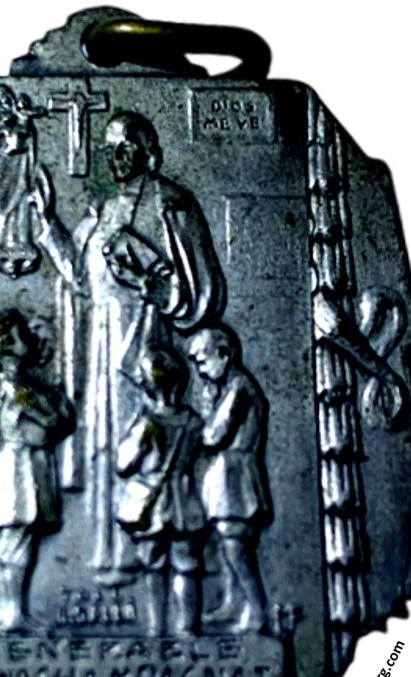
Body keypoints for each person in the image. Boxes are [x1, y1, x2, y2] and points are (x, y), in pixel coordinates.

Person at [31, 111, 226, 583]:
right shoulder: (102, 208)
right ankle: (109, 551)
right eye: (111, 148)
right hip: (101, 340)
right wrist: (48, 220)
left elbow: (202, 287)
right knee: (104, 442)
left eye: (126, 147)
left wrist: (155, 287)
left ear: (148, 152)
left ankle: (149, 552)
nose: (117, 157)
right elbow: (79, 277)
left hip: (142, 338)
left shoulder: (171, 203)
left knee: (142, 442)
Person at [0, 309, 75, 632]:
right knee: (15, 540)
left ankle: (14, 611)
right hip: (18, 467)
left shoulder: (17, 386)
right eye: (25, 335)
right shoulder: (16, 389)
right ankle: (12, 613)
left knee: (18, 540)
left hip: (25, 462)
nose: (32, 338)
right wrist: (53, 403)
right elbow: (53, 420)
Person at [115, 345, 205, 636]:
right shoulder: (193, 421)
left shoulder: (147, 424)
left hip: (153, 502)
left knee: (153, 565)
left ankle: (156, 629)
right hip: (185, 499)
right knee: (187, 565)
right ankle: (187, 628)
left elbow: (123, 464)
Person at [187, 326, 272, 633]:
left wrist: (196, 422)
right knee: (227, 542)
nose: (200, 370)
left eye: (203, 361)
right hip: (224, 474)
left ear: (224, 355)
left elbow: (214, 435)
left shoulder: (239, 388)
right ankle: (233, 604)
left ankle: (258, 609)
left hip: (236, 475)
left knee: (235, 543)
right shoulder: (229, 388)